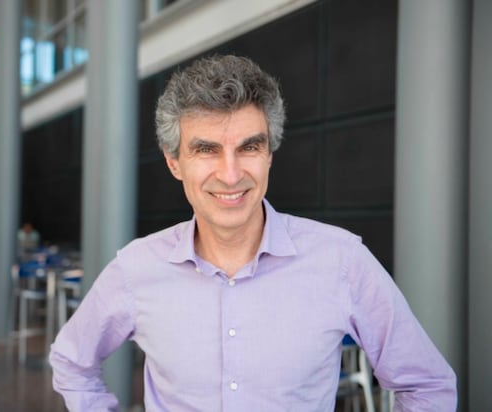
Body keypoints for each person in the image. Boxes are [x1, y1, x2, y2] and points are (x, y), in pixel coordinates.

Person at [49, 55, 456, 411]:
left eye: (249, 147)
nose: (230, 175)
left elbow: (427, 385)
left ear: (269, 155)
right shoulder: (136, 268)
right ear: (174, 162)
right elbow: (72, 362)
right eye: (206, 149)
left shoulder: (342, 261)